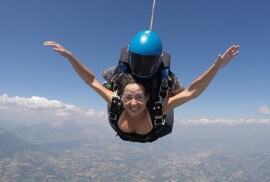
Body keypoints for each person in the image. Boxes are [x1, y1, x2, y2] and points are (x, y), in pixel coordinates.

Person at [44, 40, 239, 142]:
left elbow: (191, 93)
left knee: (171, 99)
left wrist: (215, 68)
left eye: (138, 97)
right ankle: (115, 80)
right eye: (128, 97)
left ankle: (163, 89)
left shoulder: (156, 109)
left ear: (146, 98)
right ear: (122, 96)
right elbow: (91, 80)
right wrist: (69, 57)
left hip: (153, 131)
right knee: (107, 80)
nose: (133, 103)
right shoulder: (117, 102)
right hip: (132, 128)